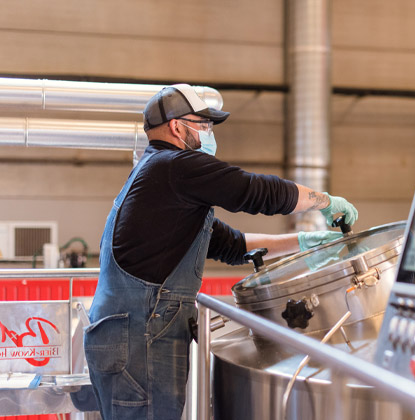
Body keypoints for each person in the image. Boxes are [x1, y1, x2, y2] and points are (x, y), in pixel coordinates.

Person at [83, 83, 358, 420]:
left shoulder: (162, 178)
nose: (208, 133)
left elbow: (231, 245)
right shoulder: (176, 166)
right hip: (140, 335)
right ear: (176, 127)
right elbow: (256, 192)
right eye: (203, 124)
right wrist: (325, 201)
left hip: (131, 333)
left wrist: (303, 243)